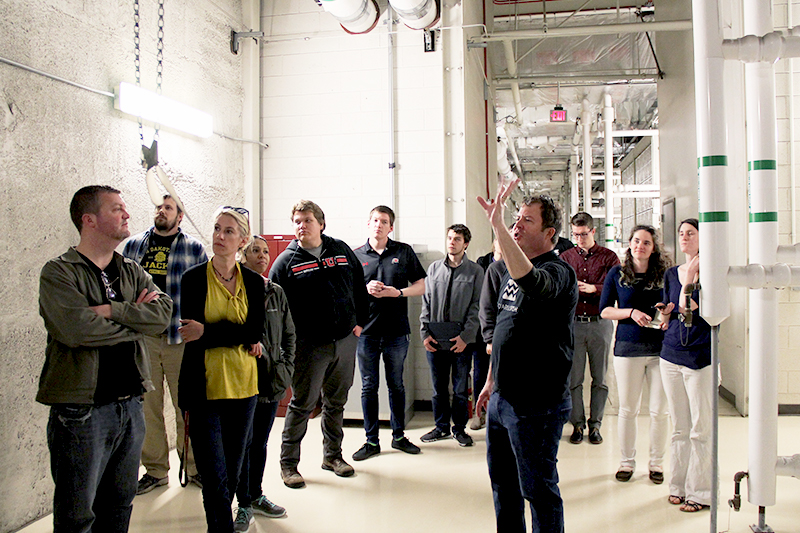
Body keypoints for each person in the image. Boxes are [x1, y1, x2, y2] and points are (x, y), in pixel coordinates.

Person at [38, 185, 172, 532]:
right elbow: (76, 331)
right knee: (77, 516)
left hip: (130, 407)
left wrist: (111, 310)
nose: (127, 214)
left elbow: (162, 314)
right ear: (89, 220)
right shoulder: (59, 272)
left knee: (118, 508)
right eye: (117, 209)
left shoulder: (130, 269)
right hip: (82, 413)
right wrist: (135, 323)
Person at [476, 180, 577, 533]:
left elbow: (534, 282)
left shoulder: (560, 272)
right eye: (515, 218)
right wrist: (490, 381)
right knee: (504, 488)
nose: (517, 224)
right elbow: (504, 331)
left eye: (526, 221)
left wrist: (499, 227)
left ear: (549, 233)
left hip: (538, 405)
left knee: (538, 491)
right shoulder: (506, 273)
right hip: (502, 400)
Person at [177, 206, 266, 533]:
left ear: (242, 240)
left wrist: (210, 331)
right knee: (214, 475)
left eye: (229, 231)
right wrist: (233, 334)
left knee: (231, 468)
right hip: (204, 390)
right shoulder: (193, 279)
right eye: (217, 228)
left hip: (244, 389)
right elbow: (191, 334)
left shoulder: (255, 283)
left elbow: (254, 332)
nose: (220, 236)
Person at [269, 200, 368, 488]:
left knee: (336, 402)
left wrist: (359, 323)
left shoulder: (340, 250)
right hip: (309, 347)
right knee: (302, 404)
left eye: (307, 220)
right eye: (297, 221)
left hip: (345, 341)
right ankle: (289, 465)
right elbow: (276, 309)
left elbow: (360, 287)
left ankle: (333, 456)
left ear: (321, 224)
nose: (302, 226)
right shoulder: (285, 263)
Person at [122, 194, 208, 494]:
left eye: (168, 208)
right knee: (148, 409)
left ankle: (195, 467)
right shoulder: (133, 246)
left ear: (180, 216)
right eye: (159, 206)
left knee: (187, 407)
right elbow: (121, 289)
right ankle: (156, 471)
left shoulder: (193, 248)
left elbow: (204, 292)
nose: (162, 211)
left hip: (178, 339)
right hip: (143, 338)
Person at [351, 206, 426, 461]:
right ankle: (371, 441)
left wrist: (399, 292)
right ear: (368, 223)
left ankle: (398, 436)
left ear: (390, 227)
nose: (378, 225)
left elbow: (422, 285)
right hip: (367, 334)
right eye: (374, 220)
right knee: (369, 387)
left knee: (396, 385)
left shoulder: (403, 251)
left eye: (384, 221)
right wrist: (364, 288)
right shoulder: (355, 255)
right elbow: (346, 292)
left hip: (396, 332)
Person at [599, 225, 671, 484]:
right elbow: (605, 311)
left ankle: (656, 464)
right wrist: (630, 312)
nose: (640, 246)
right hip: (628, 350)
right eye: (636, 241)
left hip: (660, 350)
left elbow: (674, 306)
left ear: (654, 248)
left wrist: (666, 314)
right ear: (629, 244)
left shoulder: (665, 274)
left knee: (659, 411)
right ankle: (627, 462)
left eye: (647, 243)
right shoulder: (617, 274)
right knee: (628, 410)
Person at [233, 236, 295, 531]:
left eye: (265, 251)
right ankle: (242, 502)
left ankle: (256, 495)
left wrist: (286, 369)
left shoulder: (276, 292)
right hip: (241, 382)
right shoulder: (234, 290)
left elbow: (289, 335)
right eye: (254, 251)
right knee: (241, 443)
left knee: (259, 443)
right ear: (242, 256)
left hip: (270, 382)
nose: (261, 255)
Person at [657, 218, 712, 513]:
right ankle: (677, 485)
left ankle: (700, 491)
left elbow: (688, 307)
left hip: (699, 358)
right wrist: (664, 314)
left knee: (699, 428)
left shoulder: (711, 273)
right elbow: (673, 309)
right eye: (681, 234)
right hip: (671, 355)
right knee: (678, 426)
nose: (684, 238)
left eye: (690, 233)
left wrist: (691, 274)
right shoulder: (670, 273)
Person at [419, 224, 483, 447]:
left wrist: (466, 336)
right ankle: (441, 427)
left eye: (457, 239)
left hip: (461, 341)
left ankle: (459, 429)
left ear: (466, 244)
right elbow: (426, 303)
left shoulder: (475, 272)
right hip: (436, 338)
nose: (451, 242)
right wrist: (424, 333)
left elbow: (477, 307)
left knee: (459, 389)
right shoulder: (434, 269)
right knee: (438, 388)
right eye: (449, 238)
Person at [559, 212, 620, 445]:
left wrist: (594, 289)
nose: (580, 239)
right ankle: (577, 424)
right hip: (574, 324)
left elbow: (617, 287)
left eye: (584, 234)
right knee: (574, 379)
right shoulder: (565, 258)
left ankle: (596, 424)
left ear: (593, 232)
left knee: (600, 378)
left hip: (600, 323)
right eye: (575, 235)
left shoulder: (609, 258)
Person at [472, 238, 502, 431]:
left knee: (500, 372)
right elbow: (482, 301)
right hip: (483, 330)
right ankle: (479, 413)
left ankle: (496, 413)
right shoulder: (482, 264)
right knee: (480, 371)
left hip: (505, 327)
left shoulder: (516, 263)